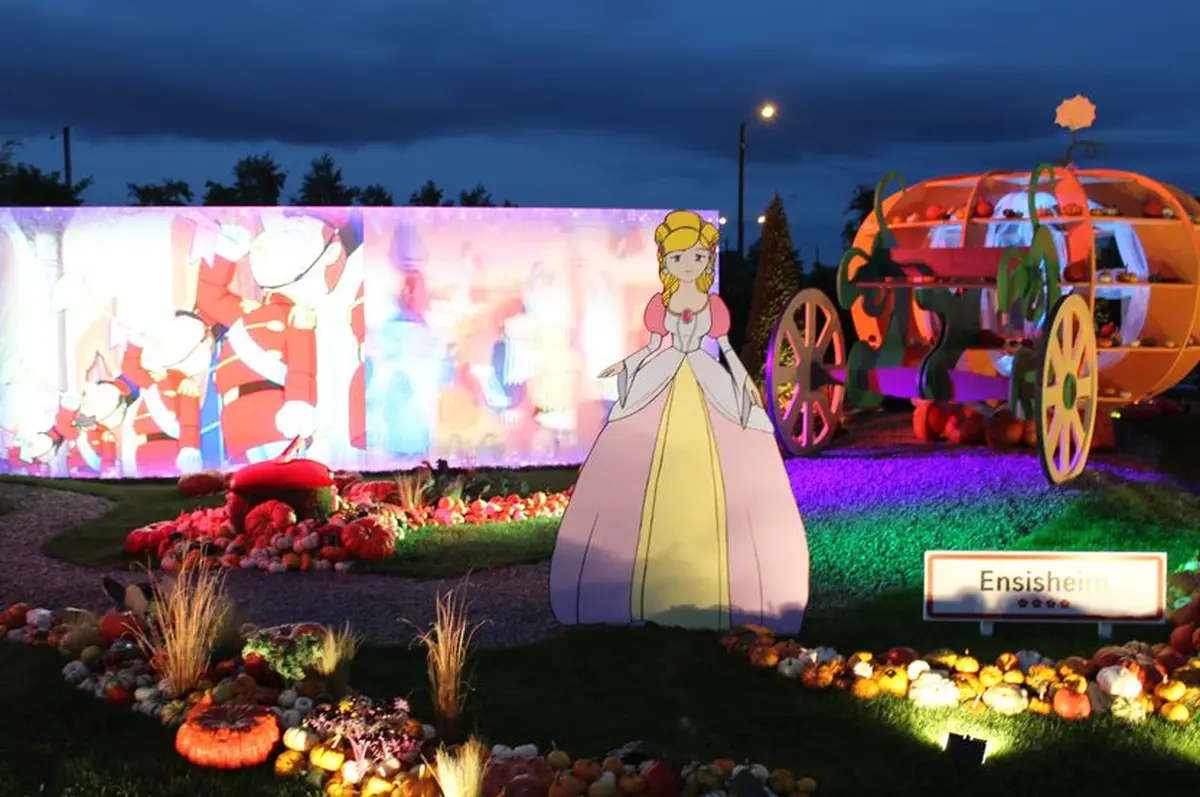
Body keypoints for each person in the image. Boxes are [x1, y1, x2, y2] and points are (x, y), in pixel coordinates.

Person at [548, 210, 810, 634]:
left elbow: (725, 349)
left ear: (706, 261)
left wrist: (743, 382)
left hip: (705, 379)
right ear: (666, 263)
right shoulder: (661, 305)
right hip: (665, 374)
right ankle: (642, 592)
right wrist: (628, 366)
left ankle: (718, 590)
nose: (688, 266)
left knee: (723, 463)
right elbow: (653, 348)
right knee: (643, 466)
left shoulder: (713, 307)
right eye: (678, 259)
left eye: (696, 258)